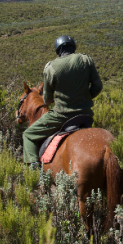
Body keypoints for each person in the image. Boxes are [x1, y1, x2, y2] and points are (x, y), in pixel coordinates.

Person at [22, 35, 103, 167]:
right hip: (86, 115)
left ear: (58, 50)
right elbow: (98, 87)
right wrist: (85, 98)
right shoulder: (86, 60)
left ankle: (34, 170)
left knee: (28, 134)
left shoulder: (51, 67)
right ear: (73, 48)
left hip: (61, 117)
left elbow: (47, 100)